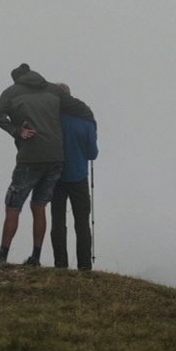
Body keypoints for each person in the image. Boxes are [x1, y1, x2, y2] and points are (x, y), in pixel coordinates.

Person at [0, 63, 95, 266]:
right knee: (39, 206)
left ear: (16, 79)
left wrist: (16, 131)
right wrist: (91, 123)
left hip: (30, 156)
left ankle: (2, 257)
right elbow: (81, 108)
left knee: (13, 206)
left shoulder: (12, 92)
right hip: (56, 158)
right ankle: (36, 257)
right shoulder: (52, 89)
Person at [49, 83, 99, 270]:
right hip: (79, 176)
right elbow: (92, 154)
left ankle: (60, 264)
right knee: (82, 221)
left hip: (56, 176)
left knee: (58, 220)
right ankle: (84, 265)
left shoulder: (51, 120)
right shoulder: (85, 121)